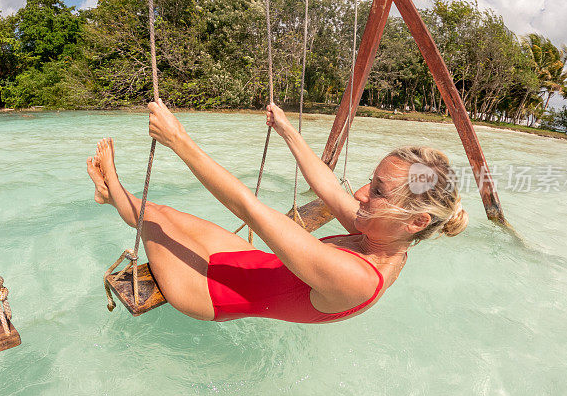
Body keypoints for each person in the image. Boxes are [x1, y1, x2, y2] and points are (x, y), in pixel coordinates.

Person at [87, 99, 468, 323]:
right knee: (162, 210)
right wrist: (288, 131)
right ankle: (110, 194)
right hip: (248, 261)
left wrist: (178, 140)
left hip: (209, 294)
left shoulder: (358, 278)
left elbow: (248, 208)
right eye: (372, 180)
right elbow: (328, 185)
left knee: (152, 216)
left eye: (379, 191)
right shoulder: (385, 233)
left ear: (416, 220)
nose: (363, 193)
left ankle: (110, 191)